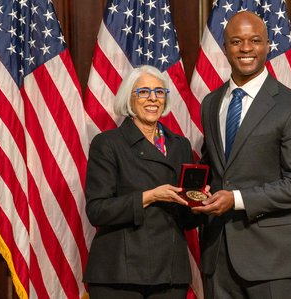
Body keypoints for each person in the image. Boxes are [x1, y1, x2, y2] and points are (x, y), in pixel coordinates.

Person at [192, 11, 291, 299]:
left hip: (274, 260)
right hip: (219, 257)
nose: (246, 49)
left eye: (254, 40)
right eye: (236, 41)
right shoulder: (211, 104)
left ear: (268, 45)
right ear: (224, 48)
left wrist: (235, 199)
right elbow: (214, 166)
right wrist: (192, 190)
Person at [83, 65, 200, 299]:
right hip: (119, 273)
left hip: (170, 272)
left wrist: (199, 201)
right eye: (144, 92)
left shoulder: (180, 145)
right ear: (129, 98)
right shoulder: (108, 144)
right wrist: (151, 196)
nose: (153, 99)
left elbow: (187, 220)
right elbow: (97, 211)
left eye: (159, 92)